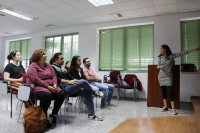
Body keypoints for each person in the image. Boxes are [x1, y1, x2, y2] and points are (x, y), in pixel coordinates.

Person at [51, 53, 103, 121]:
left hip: (71, 86)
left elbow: (70, 77)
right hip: (64, 87)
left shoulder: (63, 69)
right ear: (56, 60)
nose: (63, 60)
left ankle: (91, 114)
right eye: (61, 59)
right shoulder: (52, 68)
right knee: (83, 81)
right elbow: (56, 79)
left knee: (87, 93)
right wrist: (69, 81)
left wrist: (75, 80)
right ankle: (94, 92)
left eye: (63, 58)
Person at [27, 49, 65, 129]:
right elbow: (35, 79)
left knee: (61, 94)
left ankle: (54, 114)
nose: (46, 55)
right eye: (44, 54)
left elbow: (54, 76)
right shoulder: (33, 66)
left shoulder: (48, 65)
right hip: (37, 87)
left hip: (51, 86)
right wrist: (47, 87)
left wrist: (55, 84)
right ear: (38, 57)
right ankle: (42, 118)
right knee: (47, 95)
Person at [157, 44, 200, 115]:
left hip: (168, 77)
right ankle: (165, 106)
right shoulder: (160, 57)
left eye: (161, 49)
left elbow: (183, 52)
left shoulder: (171, 56)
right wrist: (159, 67)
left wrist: (194, 49)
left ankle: (173, 109)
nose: (160, 50)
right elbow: (157, 66)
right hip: (161, 77)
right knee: (163, 92)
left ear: (165, 49)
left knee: (170, 92)